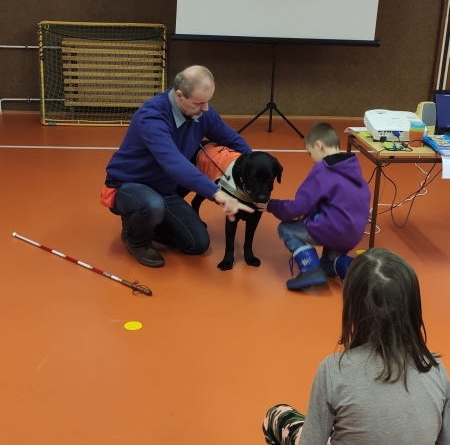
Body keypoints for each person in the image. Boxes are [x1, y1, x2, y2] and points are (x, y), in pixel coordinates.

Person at [263, 248, 450, 445]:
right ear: (413, 307)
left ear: (353, 306)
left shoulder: (333, 370)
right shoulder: (436, 368)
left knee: (276, 416)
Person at [101, 65, 254, 267]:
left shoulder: (202, 112)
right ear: (180, 95)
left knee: (198, 244)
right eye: (199, 102)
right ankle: (136, 239)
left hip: (164, 188)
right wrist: (218, 194)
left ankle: (148, 221)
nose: (206, 108)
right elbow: (174, 163)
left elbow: (231, 138)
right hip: (127, 185)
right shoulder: (152, 116)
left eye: (208, 101)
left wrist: (254, 163)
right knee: (152, 205)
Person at [255, 122, 371, 290]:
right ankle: (348, 266)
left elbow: (297, 208)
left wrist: (270, 205)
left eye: (310, 153)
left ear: (319, 145)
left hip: (334, 229)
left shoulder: (323, 170)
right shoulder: (352, 167)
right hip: (353, 234)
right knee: (327, 264)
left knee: (285, 229)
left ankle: (309, 268)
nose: (311, 159)